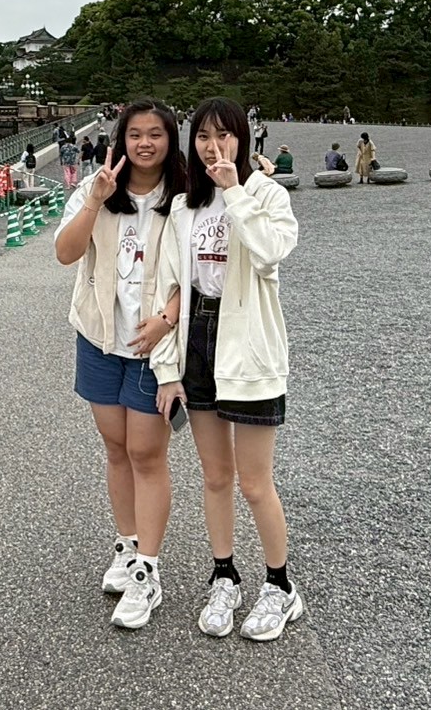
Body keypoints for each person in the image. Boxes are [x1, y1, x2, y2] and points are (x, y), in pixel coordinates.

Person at [152, 97, 303, 642]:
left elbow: (269, 254)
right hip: (197, 337)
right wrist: (166, 368)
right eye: (203, 137)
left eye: (225, 136)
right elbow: (168, 287)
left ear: (243, 138)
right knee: (215, 476)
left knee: (255, 482)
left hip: (249, 343)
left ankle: (280, 586)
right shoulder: (183, 206)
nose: (214, 147)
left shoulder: (268, 194)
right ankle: (224, 576)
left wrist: (235, 191)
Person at [54, 98, 186, 631]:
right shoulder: (98, 188)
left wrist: (167, 321)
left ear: (170, 140)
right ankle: (127, 545)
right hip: (99, 337)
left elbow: (203, 272)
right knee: (115, 448)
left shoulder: (186, 196)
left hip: (157, 346)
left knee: (146, 453)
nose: (145, 143)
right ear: (121, 140)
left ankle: (147, 570)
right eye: (135, 134)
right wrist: (95, 199)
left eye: (155, 134)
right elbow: (66, 253)